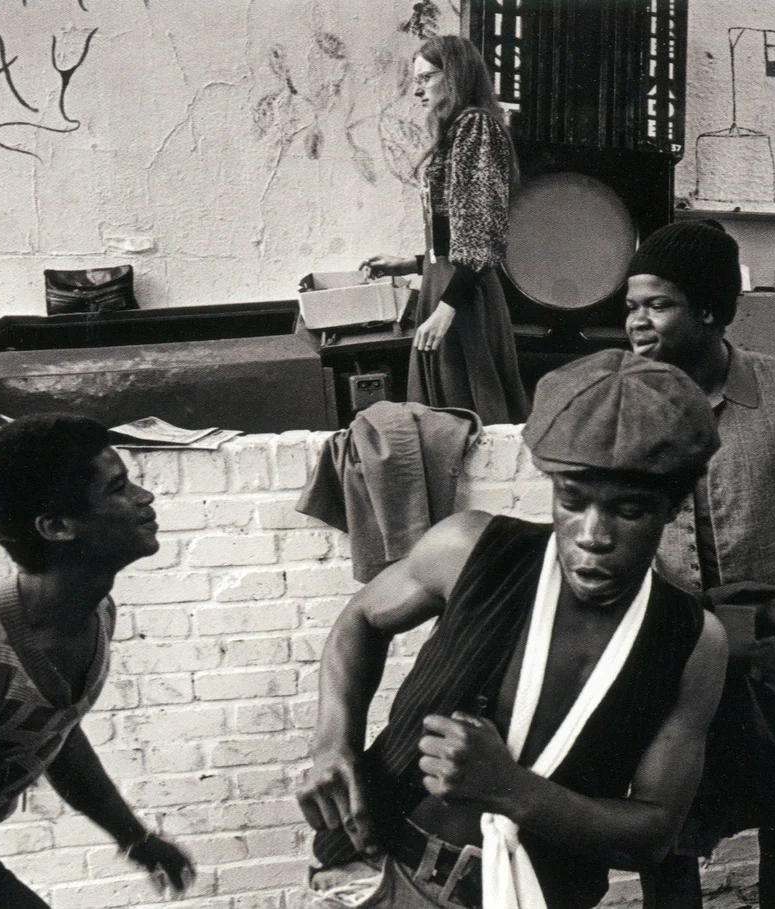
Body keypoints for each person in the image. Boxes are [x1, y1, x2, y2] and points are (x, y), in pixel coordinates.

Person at [297, 350, 728, 909]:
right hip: (376, 872)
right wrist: (333, 744)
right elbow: (360, 620)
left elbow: (653, 833)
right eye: (571, 500)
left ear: (672, 507)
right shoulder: (470, 549)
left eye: (629, 511)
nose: (592, 535)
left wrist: (510, 789)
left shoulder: (692, 641)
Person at [624, 221, 775, 909]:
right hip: (668, 641)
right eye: (632, 304)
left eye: (657, 304)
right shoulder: (624, 404)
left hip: (771, 644)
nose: (638, 321)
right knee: (666, 820)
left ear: (708, 310)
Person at [0, 415, 195, 909]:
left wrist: (134, 836)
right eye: (118, 488)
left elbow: (54, 729)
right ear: (56, 527)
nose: (146, 497)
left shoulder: (93, 611)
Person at [360, 35, 529, 425]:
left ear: (455, 75)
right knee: (450, 417)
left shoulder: (476, 126)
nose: (417, 89)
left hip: (461, 296)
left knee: (468, 418)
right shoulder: (458, 131)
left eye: (427, 77)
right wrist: (411, 263)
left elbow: (482, 232)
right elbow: (458, 234)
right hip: (447, 286)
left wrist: (446, 308)